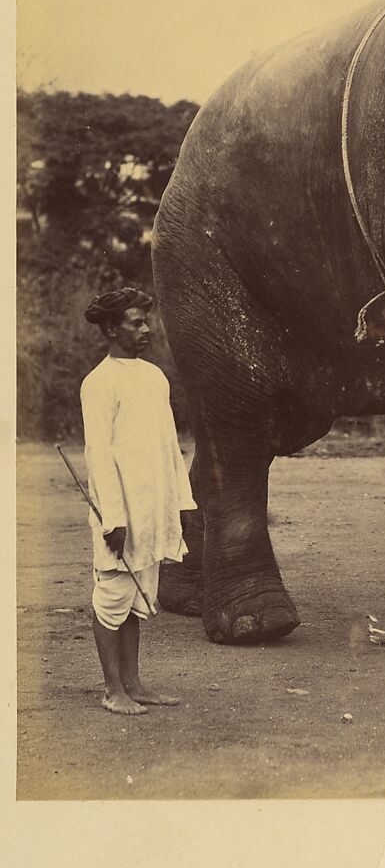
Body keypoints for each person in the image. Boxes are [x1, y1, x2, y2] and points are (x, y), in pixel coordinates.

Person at [80, 287, 197, 715]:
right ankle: (113, 690)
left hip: (153, 508)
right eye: (135, 323)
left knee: (138, 597)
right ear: (112, 329)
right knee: (112, 595)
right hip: (120, 512)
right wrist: (113, 517)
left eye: (146, 321)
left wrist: (181, 505)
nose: (146, 329)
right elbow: (98, 455)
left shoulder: (154, 377)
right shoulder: (98, 384)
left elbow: (170, 446)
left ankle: (134, 683)